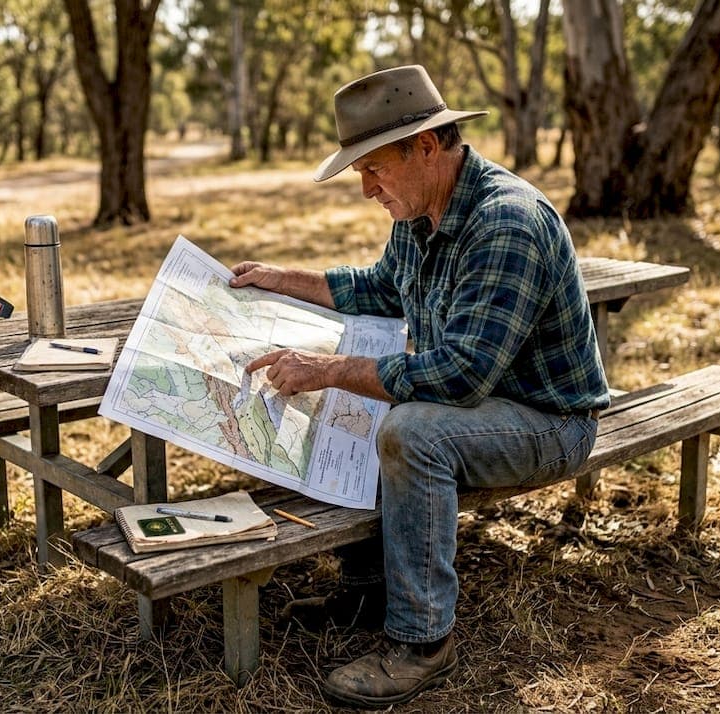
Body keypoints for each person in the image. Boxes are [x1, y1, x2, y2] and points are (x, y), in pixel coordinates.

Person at [230, 65, 610, 708]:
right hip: (485, 405)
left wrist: (327, 371)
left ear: (427, 147)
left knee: (410, 428)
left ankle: (422, 641)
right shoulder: (421, 210)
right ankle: (368, 591)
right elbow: (377, 289)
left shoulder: (505, 223)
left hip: (550, 421)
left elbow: (459, 376)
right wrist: (276, 278)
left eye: (372, 169)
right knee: (378, 401)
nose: (366, 190)